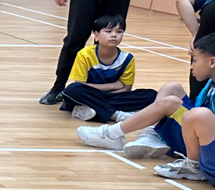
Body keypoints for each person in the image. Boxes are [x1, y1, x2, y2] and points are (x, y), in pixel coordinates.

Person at [76, 32, 215, 172]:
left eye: (195, 60)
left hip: (206, 147)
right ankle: (152, 134)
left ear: (212, 62)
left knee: (171, 103)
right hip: (201, 134)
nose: (191, 66)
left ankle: (112, 134)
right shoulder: (210, 84)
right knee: (172, 88)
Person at [59, 14, 157, 122]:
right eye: (108, 31)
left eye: (119, 31)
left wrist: (103, 96)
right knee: (72, 90)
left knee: (152, 95)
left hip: (112, 96)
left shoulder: (127, 58)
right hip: (90, 94)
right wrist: (113, 85)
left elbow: (126, 88)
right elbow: (80, 85)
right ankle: (115, 115)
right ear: (96, 35)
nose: (114, 35)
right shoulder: (84, 55)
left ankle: (92, 109)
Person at [176, 0, 215, 99]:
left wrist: (196, 34)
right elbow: (182, 1)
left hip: (205, 53)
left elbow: (182, 0)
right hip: (206, 53)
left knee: (198, 97)